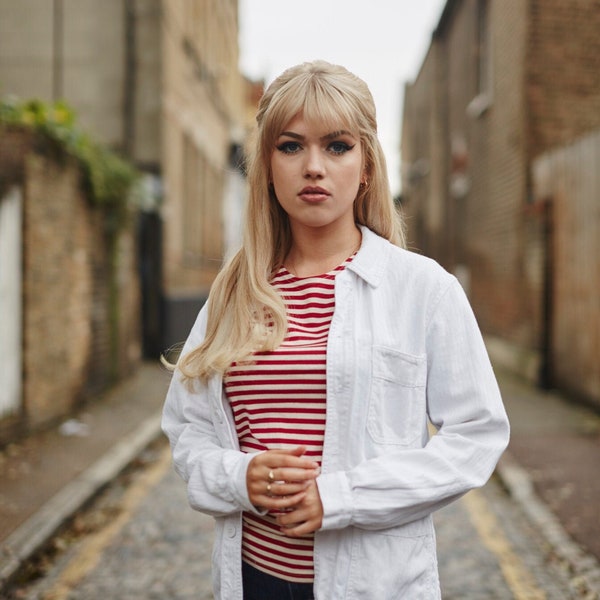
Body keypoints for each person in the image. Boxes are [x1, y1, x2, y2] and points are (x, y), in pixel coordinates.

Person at [162, 60, 510, 600]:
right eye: (291, 146)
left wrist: (343, 497)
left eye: (338, 146)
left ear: (366, 164)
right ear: (267, 165)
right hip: (253, 581)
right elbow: (189, 431)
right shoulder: (234, 291)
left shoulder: (422, 289)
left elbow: (476, 436)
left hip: (373, 584)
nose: (314, 167)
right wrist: (239, 476)